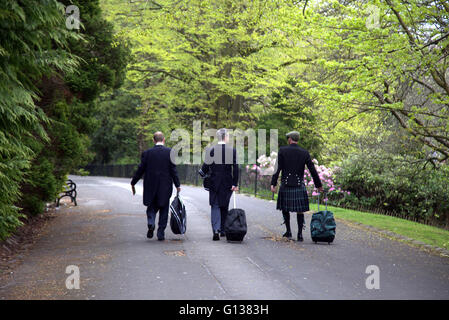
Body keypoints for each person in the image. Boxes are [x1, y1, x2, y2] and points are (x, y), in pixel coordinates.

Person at [270, 131, 323, 241]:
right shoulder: (304, 152)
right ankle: (299, 234)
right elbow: (312, 169)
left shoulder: (283, 151)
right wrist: (318, 185)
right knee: (300, 210)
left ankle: (288, 231)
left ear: (290, 139)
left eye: (287, 138)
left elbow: (277, 168)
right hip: (299, 185)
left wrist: (273, 183)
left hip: (286, 184)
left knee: (285, 208)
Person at [131, 131, 181, 241]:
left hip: (150, 185)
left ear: (154, 140)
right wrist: (177, 185)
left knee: (151, 207)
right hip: (165, 186)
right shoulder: (170, 152)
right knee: (164, 208)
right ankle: (160, 233)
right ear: (164, 140)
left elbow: (140, 169)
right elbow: (174, 171)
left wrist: (133, 182)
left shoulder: (147, 153)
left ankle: (151, 222)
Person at [199, 128, 239, 241]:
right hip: (227, 182)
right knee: (224, 205)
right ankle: (223, 230)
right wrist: (235, 183)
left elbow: (204, 168)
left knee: (215, 205)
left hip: (214, 182)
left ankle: (215, 230)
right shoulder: (232, 151)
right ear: (225, 137)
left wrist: (203, 175)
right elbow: (235, 168)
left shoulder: (211, 150)